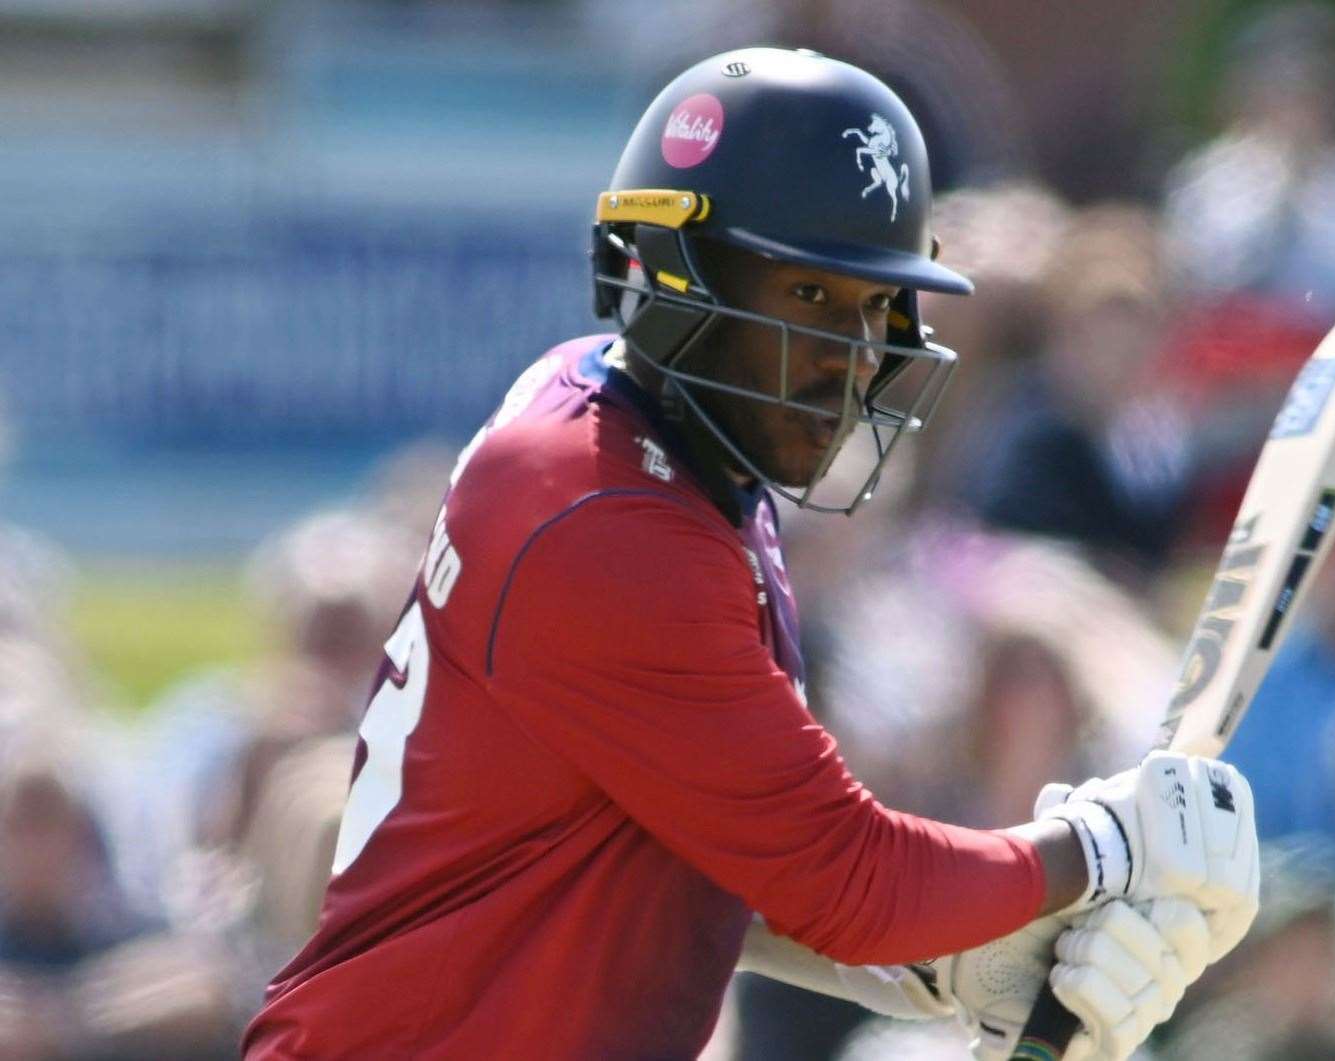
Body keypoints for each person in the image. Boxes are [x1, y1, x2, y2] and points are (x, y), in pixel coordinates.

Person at [243, 48, 1261, 1060]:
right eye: (810, 298)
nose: (852, 356)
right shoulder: (602, 513)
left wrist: (940, 961)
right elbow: (848, 877)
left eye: (873, 308)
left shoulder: (670, 453)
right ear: (671, 276)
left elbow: (702, 853)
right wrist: (1101, 848)